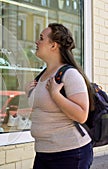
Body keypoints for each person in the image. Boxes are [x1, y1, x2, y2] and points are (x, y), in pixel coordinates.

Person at [26, 23, 94, 169]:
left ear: (53, 46)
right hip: (43, 152)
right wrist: (30, 93)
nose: (37, 42)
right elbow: (42, 111)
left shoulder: (70, 75)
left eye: (41, 38)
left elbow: (82, 115)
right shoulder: (41, 76)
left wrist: (56, 95)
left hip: (70, 153)